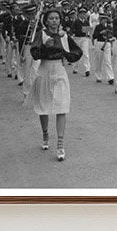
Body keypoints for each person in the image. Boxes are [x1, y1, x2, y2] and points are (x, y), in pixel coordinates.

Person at [29, 8, 83, 161]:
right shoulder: (41, 34)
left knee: (61, 106)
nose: (54, 21)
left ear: (60, 20)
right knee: (43, 106)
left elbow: (76, 52)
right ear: (46, 21)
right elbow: (34, 54)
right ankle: (45, 134)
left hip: (59, 71)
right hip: (44, 70)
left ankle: (60, 144)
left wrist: (67, 54)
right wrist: (44, 46)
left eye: (57, 18)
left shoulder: (63, 36)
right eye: (51, 18)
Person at [91, 12, 115, 84]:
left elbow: (112, 35)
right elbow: (94, 36)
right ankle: (98, 76)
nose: (104, 20)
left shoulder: (109, 27)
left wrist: (110, 37)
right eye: (102, 19)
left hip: (107, 43)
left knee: (108, 61)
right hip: (99, 43)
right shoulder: (98, 27)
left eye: (105, 19)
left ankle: (110, 77)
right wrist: (101, 33)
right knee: (99, 61)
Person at [68, 4, 91, 76]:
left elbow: (88, 30)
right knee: (77, 52)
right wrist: (71, 35)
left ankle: (87, 69)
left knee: (85, 53)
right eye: (82, 13)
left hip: (84, 38)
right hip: (77, 38)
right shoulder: (76, 21)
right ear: (79, 14)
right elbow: (72, 30)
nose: (83, 15)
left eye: (84, 13)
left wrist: (88, 34)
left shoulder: (86, 22)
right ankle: (75, 67)